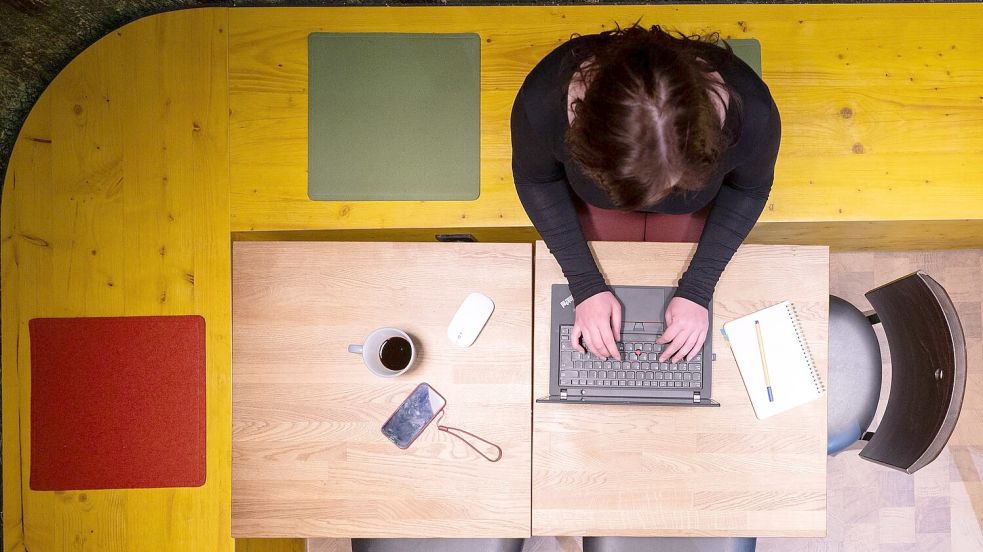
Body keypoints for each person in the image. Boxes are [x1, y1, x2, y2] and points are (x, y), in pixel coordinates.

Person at [511, 23, 781, 364]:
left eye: (673, 183)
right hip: (600, 207)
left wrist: (699, 289)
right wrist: (584, 286)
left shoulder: (754, 114)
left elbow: (749, 188)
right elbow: (536, 180)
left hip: (690, 212)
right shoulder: (542, 101)